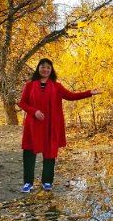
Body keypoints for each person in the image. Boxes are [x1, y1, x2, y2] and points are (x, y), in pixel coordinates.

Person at [17, 58, 100, 192]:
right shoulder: (30, 85)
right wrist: (34, 111)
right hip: (34, 124)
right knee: (29, 152)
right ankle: (28, 183)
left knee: (50, 151)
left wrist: (89, 93)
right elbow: (22, 103)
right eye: (42, 67)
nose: (45, 69)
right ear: (38, 68)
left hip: (51, 124)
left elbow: (71, 96)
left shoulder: (57, 86)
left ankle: (47, 182)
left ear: (51, 70)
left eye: (48, 67)